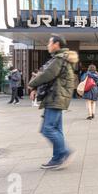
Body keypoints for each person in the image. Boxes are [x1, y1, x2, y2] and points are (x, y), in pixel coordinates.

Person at [28, 34, 79, 169]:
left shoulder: (59, 59)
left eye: (49, 43)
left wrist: (31, 85)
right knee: (56, 129)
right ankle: (57, 158)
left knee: (47, 129)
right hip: (57, 97)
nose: (48, 45)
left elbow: (46, 75)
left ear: (56, 44)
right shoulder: (62, 59)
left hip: (55, 97)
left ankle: (65, 152)